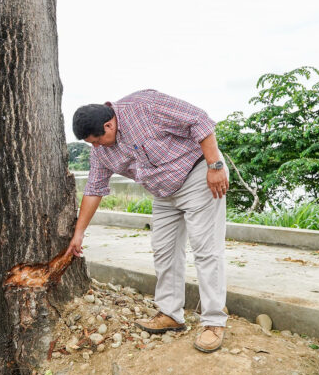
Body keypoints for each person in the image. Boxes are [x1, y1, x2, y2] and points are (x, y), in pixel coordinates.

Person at [67, 89, 230, 353]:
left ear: (109, 124)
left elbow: (199, 121)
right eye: (90, 144)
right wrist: (79, 233)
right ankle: (171, 314)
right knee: (164, 251)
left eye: (97, 141)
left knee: (206, 250)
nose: (95, 148)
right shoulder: (101, 151)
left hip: (199, 175)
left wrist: (215, 167)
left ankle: (213, 322)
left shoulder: (144, 105)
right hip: (163, 193)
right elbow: (95, 188)